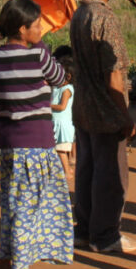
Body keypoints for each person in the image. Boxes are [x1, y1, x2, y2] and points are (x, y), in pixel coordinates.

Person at [0, 0, 72, 269]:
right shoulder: (37, 54)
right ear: (23, 30)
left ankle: (3, 267)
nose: (41, 31)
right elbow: (60, 78)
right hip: (36, 145)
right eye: (37, 26)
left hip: (9, 145)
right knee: (29, 209)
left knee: (12, 205)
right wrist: (45, 51)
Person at [69, 0, 136, 254]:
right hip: (105, 111)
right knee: (110, 175)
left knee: (86, 171)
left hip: (83, 107)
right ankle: (106, 235)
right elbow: (114, 76)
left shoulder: (78, 14)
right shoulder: (104, 17)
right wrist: (124, 116)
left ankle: (84, 231)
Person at [50, 45, 76, 192]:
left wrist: (48, 105)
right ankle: (67, 170)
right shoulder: (59, 88)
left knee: (60, 149)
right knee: (61, 149)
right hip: (59, 123)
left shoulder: (66, 90)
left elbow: (61, 106)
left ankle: (67, 172)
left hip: (62, 124)